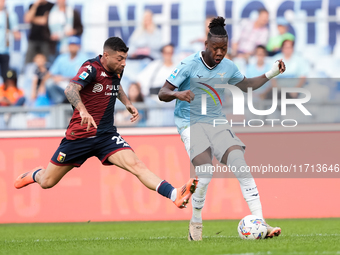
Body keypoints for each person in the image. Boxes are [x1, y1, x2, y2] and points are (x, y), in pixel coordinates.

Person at [14, 37, 197, 211]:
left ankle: (174, 194)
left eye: (125, 58)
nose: (124, 63)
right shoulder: (90, 68)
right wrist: (82, 110)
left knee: (137, 165)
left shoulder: (117, 69)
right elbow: (70, 89)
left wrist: (127, 103)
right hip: (80, 136)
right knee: (47, 182)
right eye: (120, 59)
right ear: (106, 55)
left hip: (106, 135)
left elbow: (116, 86)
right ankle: (35, 174)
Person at [158, 17, 285, 241]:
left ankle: (261, 224)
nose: (219, 53)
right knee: (206, 174)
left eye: (224, 48)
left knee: (241, 165)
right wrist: (178, 94)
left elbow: (245, 86)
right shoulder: (189, 64)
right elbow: (163, 92)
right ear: (206, 45)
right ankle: (195, 222)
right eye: (216, 48)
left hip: (216, 122)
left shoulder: (228, 66)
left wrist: (271, 73)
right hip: (190, 123)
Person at [44, 36, 88, 104]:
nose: (72, 47)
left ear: (78, 46)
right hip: (64, 85)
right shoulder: (62, 58)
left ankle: (71, 105)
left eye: (74, 45)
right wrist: (53, 78)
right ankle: (60, 103)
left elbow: (84, 76)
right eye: (71, 45)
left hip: (76, 85)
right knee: (49, 83)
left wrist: (63, 78)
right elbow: (50, 73)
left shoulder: (84, 58)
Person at [0, 0, 21, 82]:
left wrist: (17, 35)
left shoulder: (10, 15)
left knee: (5, 75)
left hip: (5, 50)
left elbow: (15, 31)